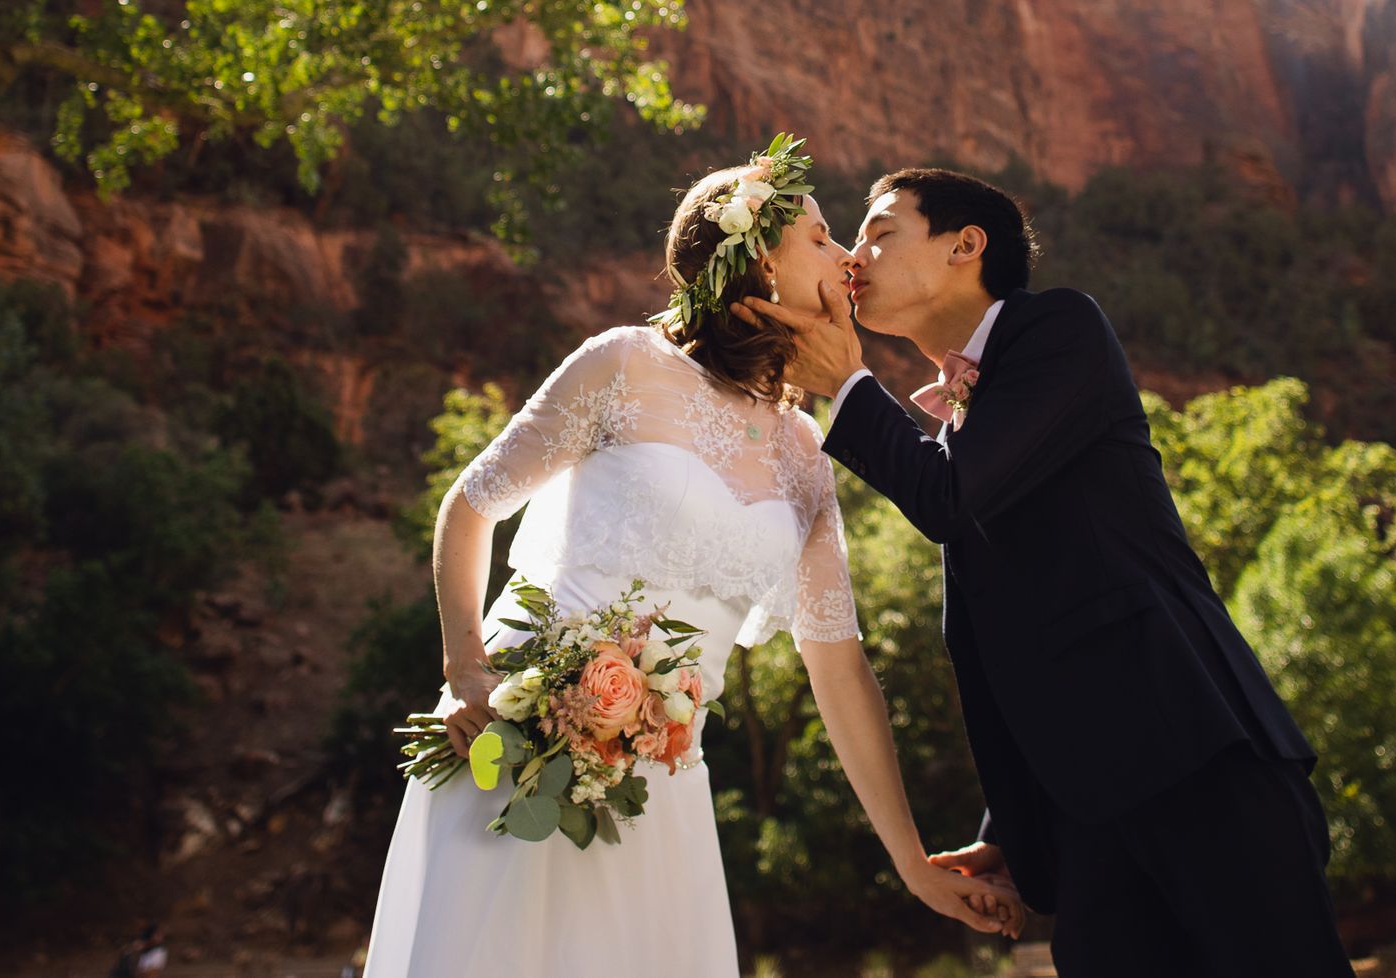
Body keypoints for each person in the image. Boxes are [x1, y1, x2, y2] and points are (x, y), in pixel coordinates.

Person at [361, 138, 1016, 978]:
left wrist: (912, 863)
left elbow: (841, 670)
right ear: (752, 265)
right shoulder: (624, 363)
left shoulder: (810, 453)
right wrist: (466, 672)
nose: (848, 256)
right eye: (819, 237)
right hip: (520, 751)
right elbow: (471, 505)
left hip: (659, 797)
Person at [739, 166, 1357, 978]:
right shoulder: (971, 414)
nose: (854, 258)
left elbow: (948, 500)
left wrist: (846, 385)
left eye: (880, 231)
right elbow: (1018, 629)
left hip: (1201, 767)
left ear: (967, 245)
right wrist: (1011, 827)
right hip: (1087, 819)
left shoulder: (1060, 329)